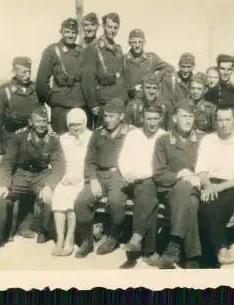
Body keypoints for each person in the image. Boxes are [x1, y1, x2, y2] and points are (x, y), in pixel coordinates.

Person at [0, 106, 66, 254]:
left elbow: (59, 165)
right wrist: (3, 185)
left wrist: (49, 185)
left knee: (52, 196)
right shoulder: (19, 136)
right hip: (21, 174)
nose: (42, 125)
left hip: (41, 175)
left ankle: (45, 230)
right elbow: (8, 162)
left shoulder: (53, 139)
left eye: (44, 121)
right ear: (30, 122)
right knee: (0, 199)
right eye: (38, 121)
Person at [0, 56, 43, 239]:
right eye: (23, 71)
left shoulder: (35, 91)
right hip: (10, 144)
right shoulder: (5, 91)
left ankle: (24, 225)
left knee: (27, 183)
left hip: (30, 143)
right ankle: (4, 230)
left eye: (29, 71)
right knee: (8, 186)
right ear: (14, 70)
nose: (27, 75)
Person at [196, 106, 234, 266]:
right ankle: (220, 249)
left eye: (227, 120)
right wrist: (209, 185)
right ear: (215, 121)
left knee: (212, 205)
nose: (224, 124)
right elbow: (201, 169)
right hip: (211, 183)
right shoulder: (208, 140)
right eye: (220, 120)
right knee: (208, 204)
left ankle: (216, 251)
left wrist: (218, 188)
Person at [73, 99, 134, 258]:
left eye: (111, 116)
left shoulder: (130, 133)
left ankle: (113, 236)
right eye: (105, 116)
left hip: (119, 175)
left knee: (115, 201)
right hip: (99, 175)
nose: (107, 120)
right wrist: (92, 180)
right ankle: (87, 240)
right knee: (81, 201)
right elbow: (90, 161)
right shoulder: (97, 134)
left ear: (121, 116)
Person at [151, 99, 204, 269]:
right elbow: (159, 173)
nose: (188, 120)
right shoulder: (163, 141)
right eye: (184, 116)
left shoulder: (202, 140)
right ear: (174, 118)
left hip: (197, 188)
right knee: (191, 202)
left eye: (191, 116)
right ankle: (192, 256)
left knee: (189, 192)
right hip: (169, 190)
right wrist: (179, 175)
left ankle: (174, 246)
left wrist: (198, 179)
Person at [118, 104, 167, 265]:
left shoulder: (164, 136)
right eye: (148, 119)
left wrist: (146, 176)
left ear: (160, 119)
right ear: (142, 119)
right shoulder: (133, 136)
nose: (151, 123)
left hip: (155, 181)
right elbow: (123, 159)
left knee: (147, 191)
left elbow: (163, 166)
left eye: (155, 119)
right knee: (148, 198)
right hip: (135, 181)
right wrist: (128, 173)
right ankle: (149, 252)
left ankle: (137, 236)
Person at [51, 108, 92, 257]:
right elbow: (58, 161)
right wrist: (64, 176)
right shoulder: (62, 139)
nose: (75, 128)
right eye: (72, 125)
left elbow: (91, 162)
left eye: (78, 124)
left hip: (84, 177)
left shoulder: (91, 137)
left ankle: (70, 238)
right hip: (66, 177)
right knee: (59, 194)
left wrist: (80, 176)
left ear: (85, 123)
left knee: (73, 198)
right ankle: (59, 239)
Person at [35, 18, 88, 135]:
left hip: (79, 106)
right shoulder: (52, 51)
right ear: (61, 32)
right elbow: (41, 82)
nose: (70, 35)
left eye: (73, 33)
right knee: (60, 143)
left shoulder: (82, 51)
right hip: (60, 109)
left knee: (80, 143)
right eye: (67, 32)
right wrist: (53, 100)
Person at [81, 13, 128, 128]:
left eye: (115, 28)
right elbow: (88, 79)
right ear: (103, 26)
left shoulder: (118, 49)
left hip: (120, 103)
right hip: (104, 105)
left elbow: (121, 76)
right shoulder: (92, 48)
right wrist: (93, 104)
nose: (112, 30)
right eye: (109, 27)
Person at [204, 54, 234, 136]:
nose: (225, 73)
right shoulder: (209, 94)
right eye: (222, 69)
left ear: (232, 70)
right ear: (218, 69)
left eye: (229, 69)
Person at [123, 28, 175, 100]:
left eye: (140, 42)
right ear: (129, 43)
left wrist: (157, 78)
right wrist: (132, 89)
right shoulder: (124, 60)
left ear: (144, 42)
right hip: (130, 100)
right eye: (134, 42)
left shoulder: (151, 58)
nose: (137, 45)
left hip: (148, 101)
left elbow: (170, 68)